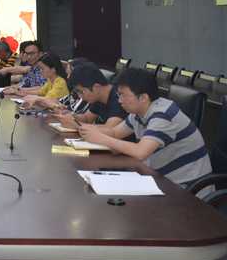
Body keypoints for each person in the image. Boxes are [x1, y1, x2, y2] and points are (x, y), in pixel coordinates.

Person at [79, 68, 211, 187]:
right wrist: (84, 128)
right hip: (160, 179)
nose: (119, 100)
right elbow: (114, 132)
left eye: (123, 95)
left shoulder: (163, 115)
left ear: (143, 97)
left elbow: (140, 152)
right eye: (119, 95)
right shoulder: (138, 113)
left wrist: (101, 138)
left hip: (187, 189)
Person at [54, 64, 127, 130]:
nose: (80, 96)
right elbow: (87, 118)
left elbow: (109, 129)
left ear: (96, 87)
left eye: (81, 91)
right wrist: (72, 115)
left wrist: (77, 125)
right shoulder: (99, 97)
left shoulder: (120, 98)